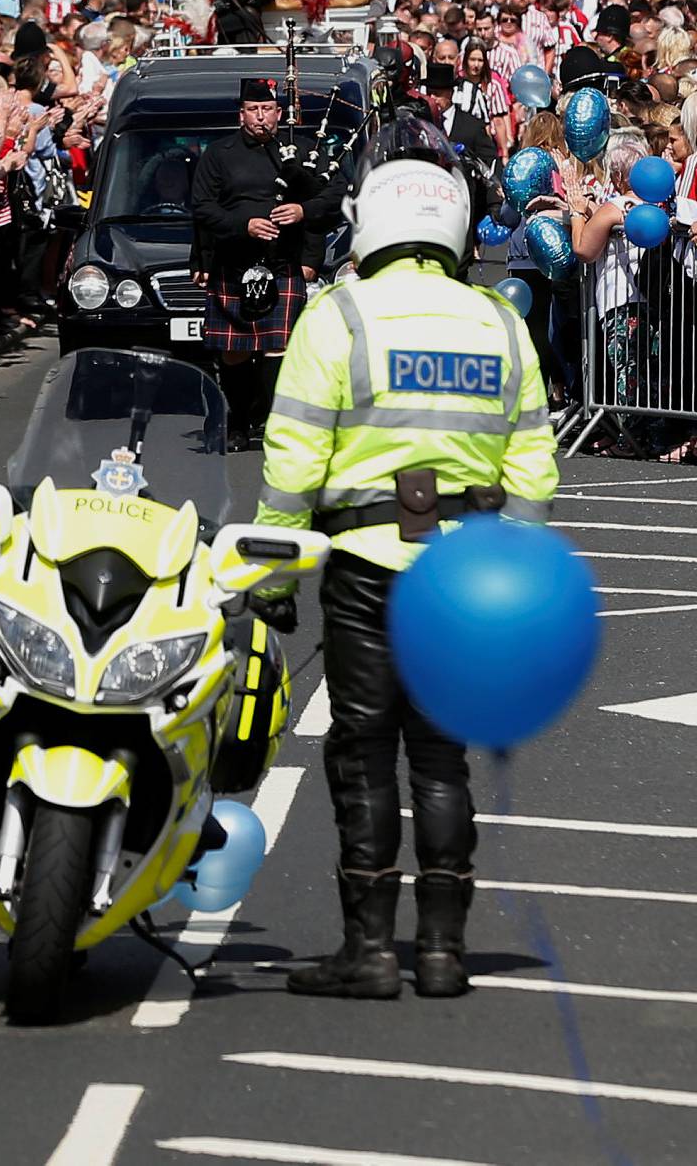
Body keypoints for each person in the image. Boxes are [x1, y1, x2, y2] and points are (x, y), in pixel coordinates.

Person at [255, 132, 558, 1000]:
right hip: (465, 576)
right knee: (439, 756)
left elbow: (293, 465)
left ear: (368, 225)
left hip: (364, 565)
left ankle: (370, 951)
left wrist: (273, 578)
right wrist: (516, 581)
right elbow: (533, 466)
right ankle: (443, 952)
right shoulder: (501, 319)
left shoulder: (337, 317)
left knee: (361, 751)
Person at [191, 77, 336, 449]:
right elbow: (202, 207)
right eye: (253, 110)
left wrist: (303, 211)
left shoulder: (302, 153)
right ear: (241, 114)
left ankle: (273, 423)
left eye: (267, 110)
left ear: (279, 113)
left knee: (279, 348)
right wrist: (244, 225)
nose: (261, 118)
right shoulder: (218, 155)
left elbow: (334, 197)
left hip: (282, 265)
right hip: (234, 264)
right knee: (235, 351)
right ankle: (238, 421)